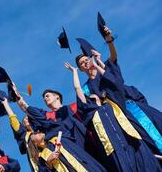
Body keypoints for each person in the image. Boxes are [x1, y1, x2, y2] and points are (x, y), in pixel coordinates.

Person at [75, 26, 162, 155]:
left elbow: (113, 56)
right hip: (114, 117)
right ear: (81, 69)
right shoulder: (86, 88)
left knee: (153, 130)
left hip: (131, 108)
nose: (85, 62)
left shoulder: (104, 68)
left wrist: (109, 41)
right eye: (82, 63)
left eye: (86, 59)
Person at [65, 61, 162, 171]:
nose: (91, 99)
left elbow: (113, 81)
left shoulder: (113, 105)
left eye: (94, 98)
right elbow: (78, 90)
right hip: (115, 146)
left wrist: (97, 64)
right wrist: (74, 72)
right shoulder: (93, 114)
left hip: (129, 134)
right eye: (90, 99)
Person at [10, 84, 107, 171]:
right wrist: (19, 98)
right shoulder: (47, 117)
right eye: (44, 97)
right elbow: (28, 109)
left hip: (87, 144)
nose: (45, 98)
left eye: (47, 95)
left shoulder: (73, 107)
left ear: (57, 97)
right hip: (67, 150)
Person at [1, 98, 39, 172]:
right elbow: (13, 119)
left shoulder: (43, 130)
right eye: (24, 120)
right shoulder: (24, 135)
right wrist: (5, 104)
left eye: (28, 119)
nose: (26, 120)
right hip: (39, 165)